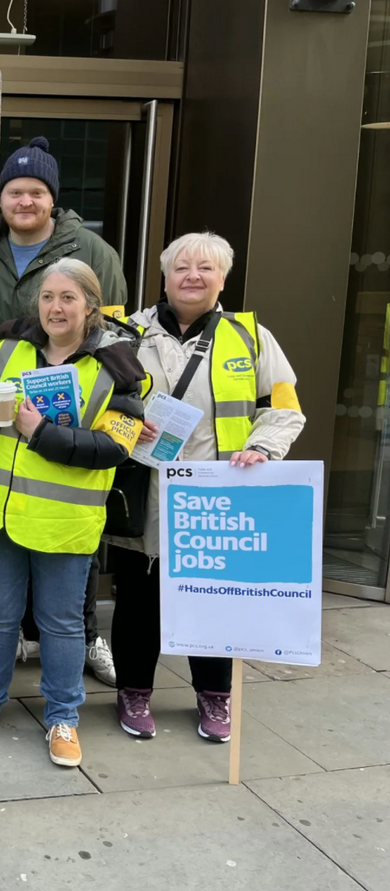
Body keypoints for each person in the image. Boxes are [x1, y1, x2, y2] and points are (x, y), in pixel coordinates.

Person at [107, 232, 305, 743]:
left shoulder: (251, 337)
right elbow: (94, 403)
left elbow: (284, 408)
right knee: (138, 600)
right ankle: (133, 691)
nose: (192, 276)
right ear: (165, 275)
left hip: (217, 498)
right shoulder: (124, 333)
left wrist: (261, 448)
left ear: (223, 278)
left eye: (206, 268)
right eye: (182, 267)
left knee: (213, 599)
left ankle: (215, 695)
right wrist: (124, 425)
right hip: (142, 491)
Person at [0, 259, 144, 768]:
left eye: (68, 298)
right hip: (1, 511)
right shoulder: (6, 348)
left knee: (61, 624)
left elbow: (115, 448)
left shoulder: (118, 366)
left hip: (64, 519)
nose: (55, 308)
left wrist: (40, 433)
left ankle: (63, 717)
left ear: (90, 306)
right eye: (47, 297)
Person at [0, 136, 128, 687]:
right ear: (1, 199)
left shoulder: (92, 251)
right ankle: (9, 653)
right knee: (2, 584)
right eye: (15, 191)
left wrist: (119, 394)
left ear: (53, 198)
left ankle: (84, 640)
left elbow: (114, 330)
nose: (25, 201)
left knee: (67, 577)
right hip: (7, 407)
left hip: (73, 421)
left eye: (36, 191)